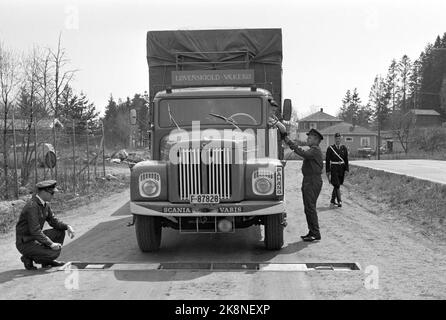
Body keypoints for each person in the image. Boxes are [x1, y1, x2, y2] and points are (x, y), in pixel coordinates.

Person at [275, 121, 324, 242]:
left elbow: (302, 153)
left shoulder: (315, 150)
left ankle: (315, 233)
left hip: (312, 181)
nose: (308, 139)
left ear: (316, 139)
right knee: (308, 207)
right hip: (309, 180)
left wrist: (288, 141)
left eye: (310, 137)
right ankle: (312, 232)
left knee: (310, 207)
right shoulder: (313, 149)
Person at [15, 180, 75, 270]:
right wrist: (51, 244)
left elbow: (53, 221)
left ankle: (46, 261)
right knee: (54, 253)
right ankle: (28, 257)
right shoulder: (32, 206)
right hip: (25, 242)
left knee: (59, 232)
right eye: (52, 193)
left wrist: (67, 226)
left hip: (34, 238)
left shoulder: (45, 205)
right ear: (43, 192)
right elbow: (35, 231)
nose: (53, 195)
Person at [325, 133, 349, 208]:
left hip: (341, 168)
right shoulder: (330, 148)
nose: (338, 140)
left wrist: (346, 169)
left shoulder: (344, 148)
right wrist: (328, 171)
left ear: (340, 139)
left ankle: (332, 201)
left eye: (339, 139)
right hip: (334, 168)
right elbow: (327, 160)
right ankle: (339, 201)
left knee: (337, 185)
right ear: (334, 139)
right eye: (336, 139)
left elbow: (346, 159)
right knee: (337, 184)